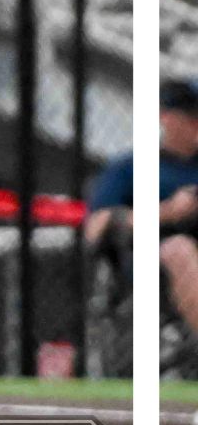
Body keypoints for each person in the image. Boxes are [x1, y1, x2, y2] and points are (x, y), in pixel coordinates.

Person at [83, 78, 198, 369]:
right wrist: (169, 211)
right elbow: (97, 226)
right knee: (178, 249)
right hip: (149, 264)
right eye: (190, 115)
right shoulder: (131, 167)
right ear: (166, 117)